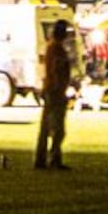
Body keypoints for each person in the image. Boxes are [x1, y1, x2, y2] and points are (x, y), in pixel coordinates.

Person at [34, 14, 76, 172]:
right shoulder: (57, 49)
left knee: (46, 127)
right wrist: (61, 89)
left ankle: (41, 158)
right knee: (57, 128)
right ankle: (54, 158)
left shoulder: (51, 46)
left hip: (51, 89)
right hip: (56, 91)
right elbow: (57, 70)